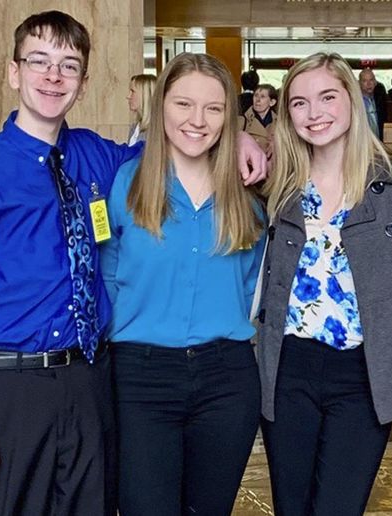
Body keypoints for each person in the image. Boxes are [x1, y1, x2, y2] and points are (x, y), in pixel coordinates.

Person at [0, 11, 267, 516]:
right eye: (38, 62)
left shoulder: (96, 158)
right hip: (11, 386)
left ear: (83, 83)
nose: (52, 76)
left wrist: (235, 134)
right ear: (13, 71)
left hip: (90, 380)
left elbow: (172, 147)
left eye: (68, 65)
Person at [101, 52, 265, 516]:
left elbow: (251, 282)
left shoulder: (248, 196)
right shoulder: (126, 184)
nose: (197, 120)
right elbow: (109, 272)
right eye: (183, 104)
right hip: (140, 377)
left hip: (226, 379)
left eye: (213, 108)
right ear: (161, 108)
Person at [258, 52, 392, 516]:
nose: (315, 114)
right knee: (293, 506)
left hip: (362, 372)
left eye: (328, 97)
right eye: (300, 103)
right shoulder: (277, 182)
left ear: (352, 99)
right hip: (289, 368)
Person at [241, 83, 278, 157]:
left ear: (272, 102)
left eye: (262, 96)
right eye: (256, 95)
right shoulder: (242, 120)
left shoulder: (280, 123)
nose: (257, 100)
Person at [127, 73, 157, 145]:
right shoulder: (134, 128)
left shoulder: (156, 130)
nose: (128, 96)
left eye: (132, 91)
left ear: (144, 95)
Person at [358, 68, 386, 140]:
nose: (369, 84)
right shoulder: (355, 102)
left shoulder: (380, 101)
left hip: (379, 145)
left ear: (375, 82)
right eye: (364, 81)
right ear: (359, 83)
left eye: (371, 80)